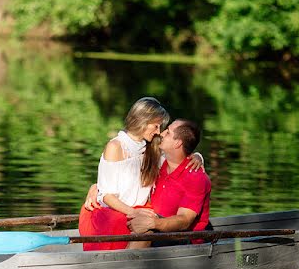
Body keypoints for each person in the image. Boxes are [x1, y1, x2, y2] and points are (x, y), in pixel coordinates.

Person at [79, 98, 203, 251]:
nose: (158, 131)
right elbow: (107, 195)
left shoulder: (152, 148)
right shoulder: (116, 147)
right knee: (143, 228)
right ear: (143, 121)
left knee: (147, 225)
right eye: (156, 126)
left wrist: (197, 156)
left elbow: (177, 159)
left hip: (139, 210)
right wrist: (133, 212)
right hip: (114, 213)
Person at [127, 118, 211, 246]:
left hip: (185, 241)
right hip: (159, 232)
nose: (161, 134)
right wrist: (98, 189)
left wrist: (153, 223)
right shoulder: (161, 164)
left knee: (145, 231)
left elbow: (184, 220)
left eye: (168, 133)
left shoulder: (196, 178)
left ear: (177, 143)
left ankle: (119, 265)